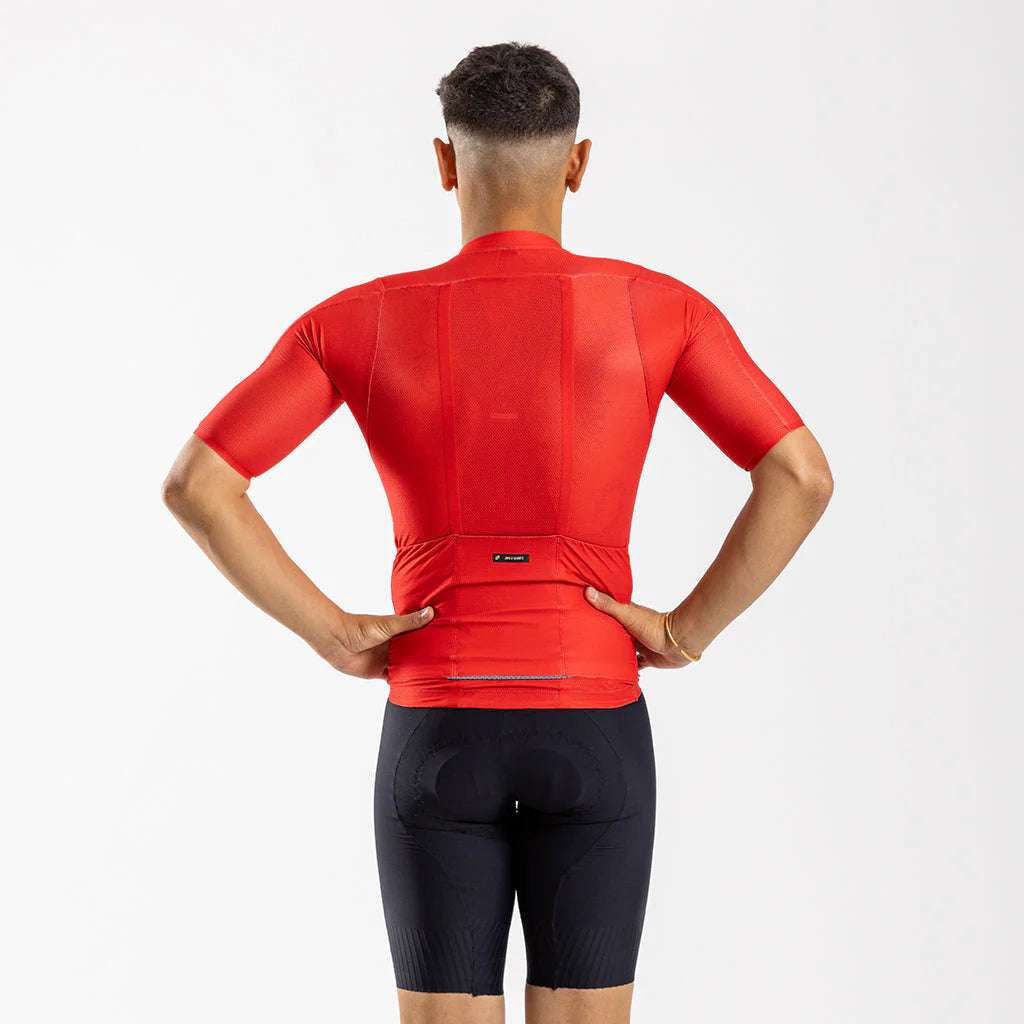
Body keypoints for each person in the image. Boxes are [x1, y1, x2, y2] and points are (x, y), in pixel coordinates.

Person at [162, 40, 833, 1024]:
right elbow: (800, 475)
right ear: (578, 162)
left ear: (444, 162)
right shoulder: (660, 310)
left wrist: (333, 632)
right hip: (594, 719)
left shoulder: (354, 321)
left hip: (438, 722)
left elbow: (199, 485)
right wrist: (683, 630)